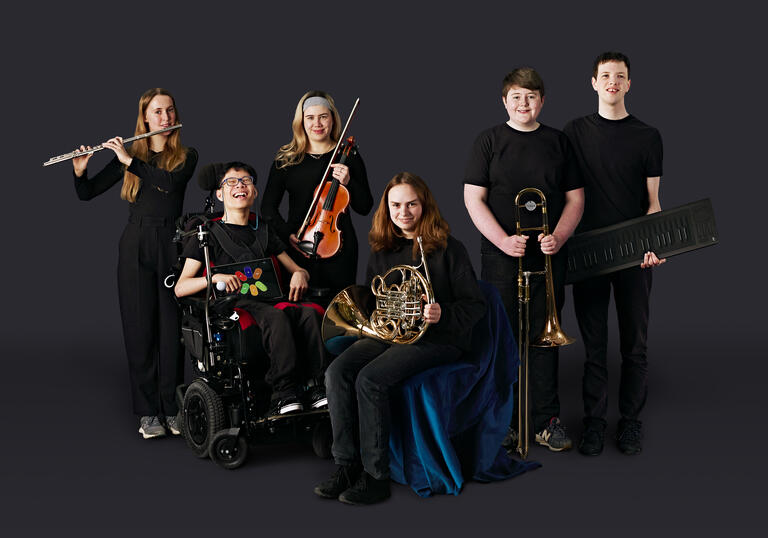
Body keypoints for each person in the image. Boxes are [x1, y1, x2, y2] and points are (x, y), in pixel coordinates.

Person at [314, 172, 487, 505]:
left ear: (425, 206)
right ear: (387, 208)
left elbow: (475, 305)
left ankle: (376, 477)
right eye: (396, 204)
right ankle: (346, 465)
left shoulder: (448, 247)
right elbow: (375, 301)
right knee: (337, 372)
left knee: (370, 379)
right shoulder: (383, 248)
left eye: (411, 204)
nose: (403, 212)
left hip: (438, 338)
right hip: (394, 334)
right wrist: (379, 318)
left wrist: (443, 313)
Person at [464, 67, 584, 452]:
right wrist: (502, 240)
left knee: (545, 338)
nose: (523, 104)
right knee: (504, 338)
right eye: (516, 97)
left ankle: (545, 420)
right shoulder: (488, 141)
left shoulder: (559, 142)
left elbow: (575, 199)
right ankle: (507, 422)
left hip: (549, 253)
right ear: (505, 101)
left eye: (531, 97)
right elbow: (473, 198)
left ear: (542, 101)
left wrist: (559, 236)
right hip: (502, 255)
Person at [72, 88, 198, 439]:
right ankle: (148, 413)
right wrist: (81, 172)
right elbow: (87, 194)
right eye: (157, 112)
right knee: (139, 328)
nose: (165, 118)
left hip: (172, 243)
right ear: (145, 118)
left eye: (170, 111)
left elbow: (169, 186)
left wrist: (130, 162)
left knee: (171, 330)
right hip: (135, 243)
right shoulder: (130, 156)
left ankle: (172, 408)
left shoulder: (186, 156)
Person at [563, 52, 665, 456]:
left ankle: (630, 423)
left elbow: (653, 202)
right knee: (593, 347)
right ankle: (593, 423)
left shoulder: (648, 135)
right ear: (593, 82)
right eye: (605, 75)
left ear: (628, 84)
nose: (612, 82)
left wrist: (654, 243)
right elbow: (565, 192)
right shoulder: (573, 132)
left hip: (636, 256)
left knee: (635, 345)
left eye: (619, 76)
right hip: (588, 254)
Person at [174, 162, 328, 416]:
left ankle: (315, 387)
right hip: (231, 306)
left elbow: (298, 269)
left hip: (268, 300)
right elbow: (181, 287)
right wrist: (214, 277)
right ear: (220, 194)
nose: (240, 186)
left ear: (254, 192)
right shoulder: (207, 234)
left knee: (309, 313)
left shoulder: (263, 231)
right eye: (232, 182)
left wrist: (300, 273)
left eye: (246, 181)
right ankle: (284, 391)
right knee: (275, 316)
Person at [261, 90, 373, 305]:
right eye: (310, 118)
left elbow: (365, 206)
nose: (317, 123)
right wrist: (288, 235)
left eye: (323, 116)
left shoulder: (347, 155)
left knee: (338, 314)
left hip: (340, 246)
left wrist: (349, 181)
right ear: (301, 121)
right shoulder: (287, 158)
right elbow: (268, 208)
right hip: (298, 245)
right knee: (299, 310)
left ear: (333, 119)